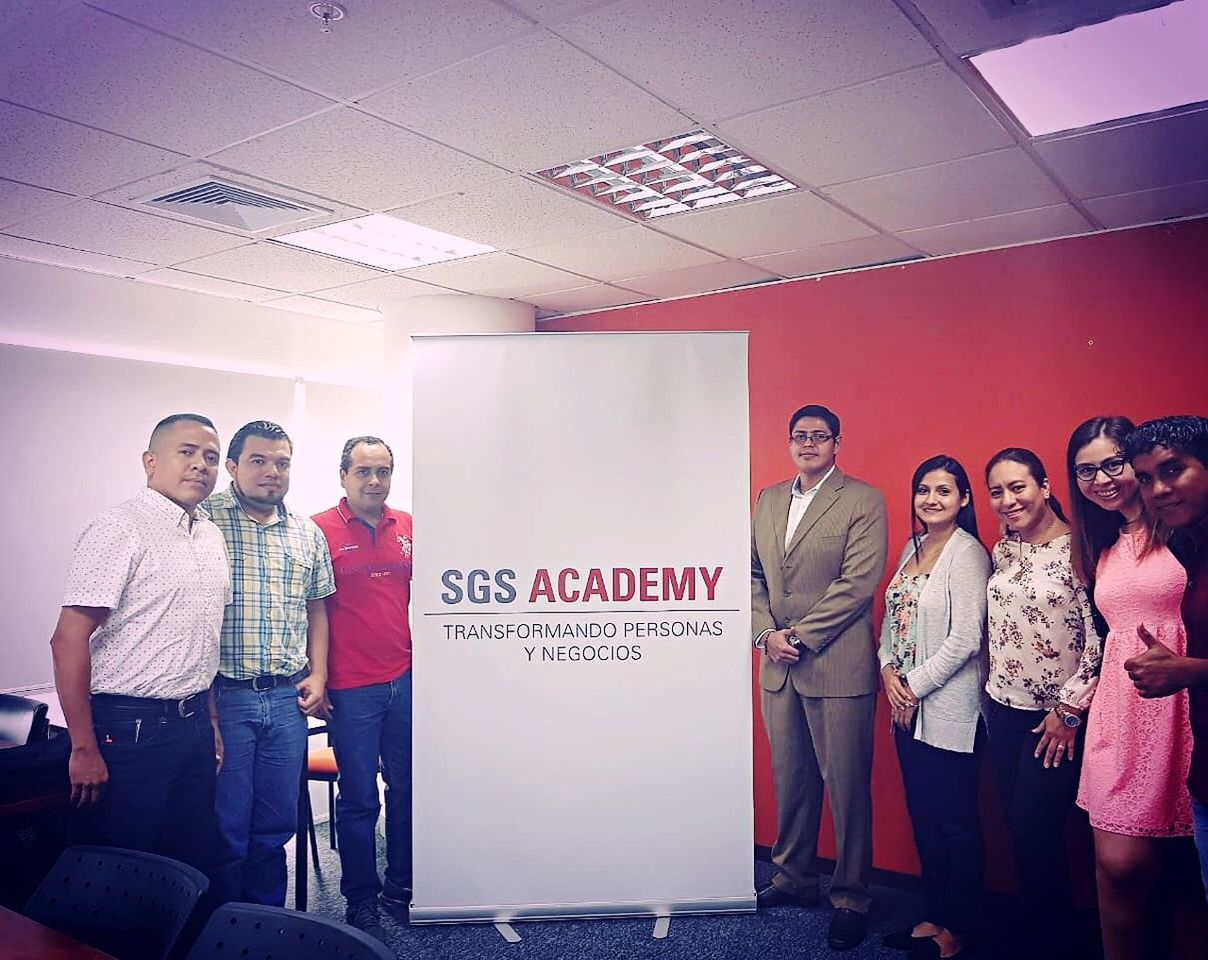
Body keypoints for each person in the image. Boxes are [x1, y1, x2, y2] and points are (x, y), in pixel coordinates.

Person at [50, 413, 229, 882]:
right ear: (151, 462)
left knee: (188, 862)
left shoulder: (209, 535)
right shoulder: (118, 528)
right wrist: (82, 747)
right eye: (186, 452)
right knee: (121, 866)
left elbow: (200, 635)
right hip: (129, 727)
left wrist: (209, 720)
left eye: (210, 457)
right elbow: (68, 637)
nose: (200, 465)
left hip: (192, 724)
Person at [751, 403, 888, 951]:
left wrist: (799, 636)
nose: (808, 444)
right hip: (777, 664)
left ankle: (852, 895)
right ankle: (791, 877)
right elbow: (752, 573)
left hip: (835, 663)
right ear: (789, 443)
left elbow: (858, 584)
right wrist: (765, 635)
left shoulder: (861, 499)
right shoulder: (767, 499)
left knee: (848, 787)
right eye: (799, 436)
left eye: (820, 436)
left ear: (837, 442)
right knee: (793, 781)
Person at [1067, 416, 1199, 960]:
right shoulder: (1101, 542)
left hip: (1187, 704)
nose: (1102, 479)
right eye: (1085, 470)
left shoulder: (1187, 528)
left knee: (1187, 873)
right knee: (1118, 865)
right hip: (1122, 711)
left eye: (1113, 463)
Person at [205, 420, 335, 906]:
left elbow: (316, 608)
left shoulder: (306, 533)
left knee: (276, 825)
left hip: (286, 699)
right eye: (258, 461)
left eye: (281, 462)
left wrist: (318, 673)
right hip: (227, 697)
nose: (271, 472)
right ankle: (219, 933)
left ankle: (265, 930)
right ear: (234, 467)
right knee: (227, 829)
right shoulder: (203, 519)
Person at [983, 447, 1102, 956]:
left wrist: (1071, 710)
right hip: (1003, 711)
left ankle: (1055, 941)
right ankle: (1038, 933)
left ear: (1046, 486)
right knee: (1021, 829)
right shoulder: (1003, 549)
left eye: (1018, 487)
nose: (1008, 500)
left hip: (1055, 720)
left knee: (1037, 829)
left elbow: (1103, 639)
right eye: (997, 492)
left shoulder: (1081, 549)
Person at [877, 455, 989, 960]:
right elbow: (890, 621)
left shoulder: (968, 553)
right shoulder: (913, 546)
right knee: (924, 817)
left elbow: (966, 637)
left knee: (956, 823)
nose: (931, 499)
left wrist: (913, 685)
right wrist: (887, 673)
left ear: (963, 499)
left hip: (948, 709)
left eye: (944, 491)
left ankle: (961, 928)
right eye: (924, 489)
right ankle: (933, 914)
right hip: (905, 708)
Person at [313, 437, 413, 940]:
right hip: (351, 689)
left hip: (405, 681)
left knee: (408, 789)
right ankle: (361, 898)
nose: (375, 481)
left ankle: (403, 884)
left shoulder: (409, 526)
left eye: (384, 470)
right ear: (343, 475)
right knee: (357, 800)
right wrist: (317, 676)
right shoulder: (318, 531)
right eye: (364, 471)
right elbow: (307, 612)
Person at [1124, 415, 1208, 901]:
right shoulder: (1189, 546)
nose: (1158, 489)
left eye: (1173, 470)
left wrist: (1187, 671)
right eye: (1146, 478)